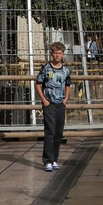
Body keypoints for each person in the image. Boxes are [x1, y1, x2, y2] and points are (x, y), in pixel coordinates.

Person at [36, 42, 72, 172]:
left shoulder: (66, 70)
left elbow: (68, 84)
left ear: (63, 54)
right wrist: (44, 100)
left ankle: (55, 159)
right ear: (51, 54)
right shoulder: (46, 68)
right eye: (55, 53)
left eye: (60, 53)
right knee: (50, 131)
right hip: (49, 103)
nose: (57, 55)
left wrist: (66, 98)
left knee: (58, 132)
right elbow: (38, 84)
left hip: (60, 103)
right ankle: (47, 160)